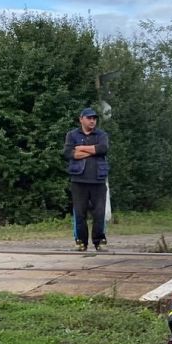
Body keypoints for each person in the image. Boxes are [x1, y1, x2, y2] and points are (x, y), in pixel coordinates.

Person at [62, 107, 110, 252]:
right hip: (79, 181)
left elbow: (103, 149)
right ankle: (81, 242)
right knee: (79, 213)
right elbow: (68, 153)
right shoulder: (72, 135)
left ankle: (99, 241)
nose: (92, 121)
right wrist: (92, 151)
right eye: (89, 118)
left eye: (94, 118)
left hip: (98, 180)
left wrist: (82, 148)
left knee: (99, 212)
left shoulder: (101, 134)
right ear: (81, 119)